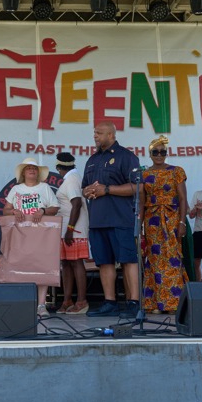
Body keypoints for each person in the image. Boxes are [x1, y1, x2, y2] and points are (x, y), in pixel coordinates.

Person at [82, 121, 141, 319]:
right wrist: (88, 191)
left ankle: (134, 303)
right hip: (97, 220)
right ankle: (110, 302)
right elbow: (84, 187)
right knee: (104, 262)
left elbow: (137, 187)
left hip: (120, 219)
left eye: (99, 133)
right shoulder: (92, 159)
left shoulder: (126, 156)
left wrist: (106, 189)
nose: (95, 136)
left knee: (128, 260)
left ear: (111, 135)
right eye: (94, 133)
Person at [3, 157, 60, 318]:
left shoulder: (45, 187)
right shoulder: (16, 189)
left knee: (42, 267)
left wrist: (43, 210)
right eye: (28, 168)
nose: (32, 170)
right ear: (23, 172)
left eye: (34, 168)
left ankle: (41, 305)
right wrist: (14, 211)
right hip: (20, 235)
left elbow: (55, 208)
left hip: (41, 235)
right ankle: (24, 303)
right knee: (21, 267)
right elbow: (5, 210)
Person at [139, 135, 189, 314]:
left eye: (162, 152)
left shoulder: (177, 171)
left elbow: (182, 199)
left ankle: (174, 303)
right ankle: (155, 303)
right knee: (154, 259)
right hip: (151, 221)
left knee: (172, 257)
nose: (159, 155)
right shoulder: (144, 174)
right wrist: (140, 227)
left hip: (172, 218)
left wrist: (182, 222)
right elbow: (142, 203)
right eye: (155, 152)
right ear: (150, 154)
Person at [54, 152, 90, 315]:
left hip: (73, 230)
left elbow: (76, 203)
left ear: (58, 168)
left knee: (76, 263)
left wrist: (70, 228)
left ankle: (81, 301)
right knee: (66, 264)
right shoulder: (71, 178)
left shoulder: (71, 180)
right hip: (67, 229)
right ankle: (67, 300)